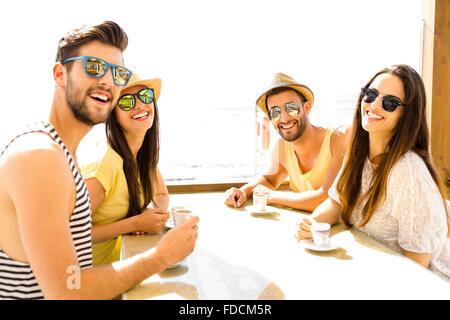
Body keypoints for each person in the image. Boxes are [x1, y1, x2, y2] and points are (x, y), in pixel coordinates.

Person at [0, 21, 199, 300]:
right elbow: (66, 292)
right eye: (93, 67)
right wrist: (161, 256)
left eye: (118, 73)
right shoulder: (38, 156)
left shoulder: (60, 155)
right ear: (60, 74)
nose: (108, 80)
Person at [296, 64, 450, 281]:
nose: (375, 104)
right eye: (370, 94)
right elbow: (336, 202)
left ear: (407, 115)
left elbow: (417, 268)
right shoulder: (358, 154)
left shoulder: (408, 171)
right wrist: (313, 224)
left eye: (390, 103)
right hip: (373, 270)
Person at [225, 72, 349, 212]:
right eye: (275, 112)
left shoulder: (337, 140)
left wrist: (273, 196)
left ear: (306, 108)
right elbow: (269, 180)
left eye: (291, 108)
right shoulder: (282, 147)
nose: (284, 118)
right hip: (307, 227)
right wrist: (243, 191)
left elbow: (327, 199)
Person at [81, 73, 170, 266]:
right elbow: (70, 233)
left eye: (145, 96)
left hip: (119, 265)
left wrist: (149, 213)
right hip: (86, 277)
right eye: (127, 101)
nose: (139, 105)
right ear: (112, 114)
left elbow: (162, 195)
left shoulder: (142, 155)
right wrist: (135, 223)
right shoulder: (105, 163)